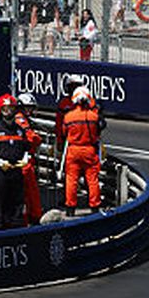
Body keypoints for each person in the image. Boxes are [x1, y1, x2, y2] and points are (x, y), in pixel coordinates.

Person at [0, 93, 35, 228]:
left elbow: (27, 147)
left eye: (11, 108)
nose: (8, 112)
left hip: (16, 170)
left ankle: (16, 226)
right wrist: (0, 163)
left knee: (17, 201)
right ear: (0, 110)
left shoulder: (20, 130)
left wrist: (25, 159)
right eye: (5, 109)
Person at [60, 83, 104, 215]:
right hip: (89, 150)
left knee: (71, 179)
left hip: (73, 150)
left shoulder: (68, 116)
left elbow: (64, 132)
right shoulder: (94, 116)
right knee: (92, 179)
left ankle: (70, 208)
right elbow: (99, 130)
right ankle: (95, 207)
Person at [13, 92, 43, 224]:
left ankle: (30, 217)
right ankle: (31, 218)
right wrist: (37, 138)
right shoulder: (20, 119)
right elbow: (31, 138)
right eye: (28, 107)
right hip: (24, 162)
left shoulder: (19, 119)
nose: (30, 110)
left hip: (23, 160)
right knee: (29, 193)